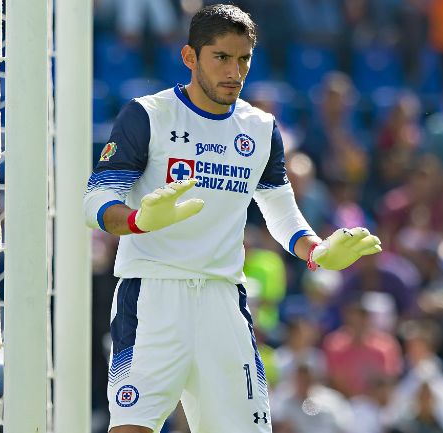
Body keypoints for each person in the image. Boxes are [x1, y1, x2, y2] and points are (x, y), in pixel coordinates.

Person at [82, 5, 382, 432]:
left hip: (223, 301)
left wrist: (316, 250)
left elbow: (281, 211)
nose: (234, 71)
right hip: (153, 296)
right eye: (221, 57)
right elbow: (95, 201)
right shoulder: (148, 115)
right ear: (190, 57)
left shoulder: (260, 128)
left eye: (243, 59)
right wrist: (138, 221)